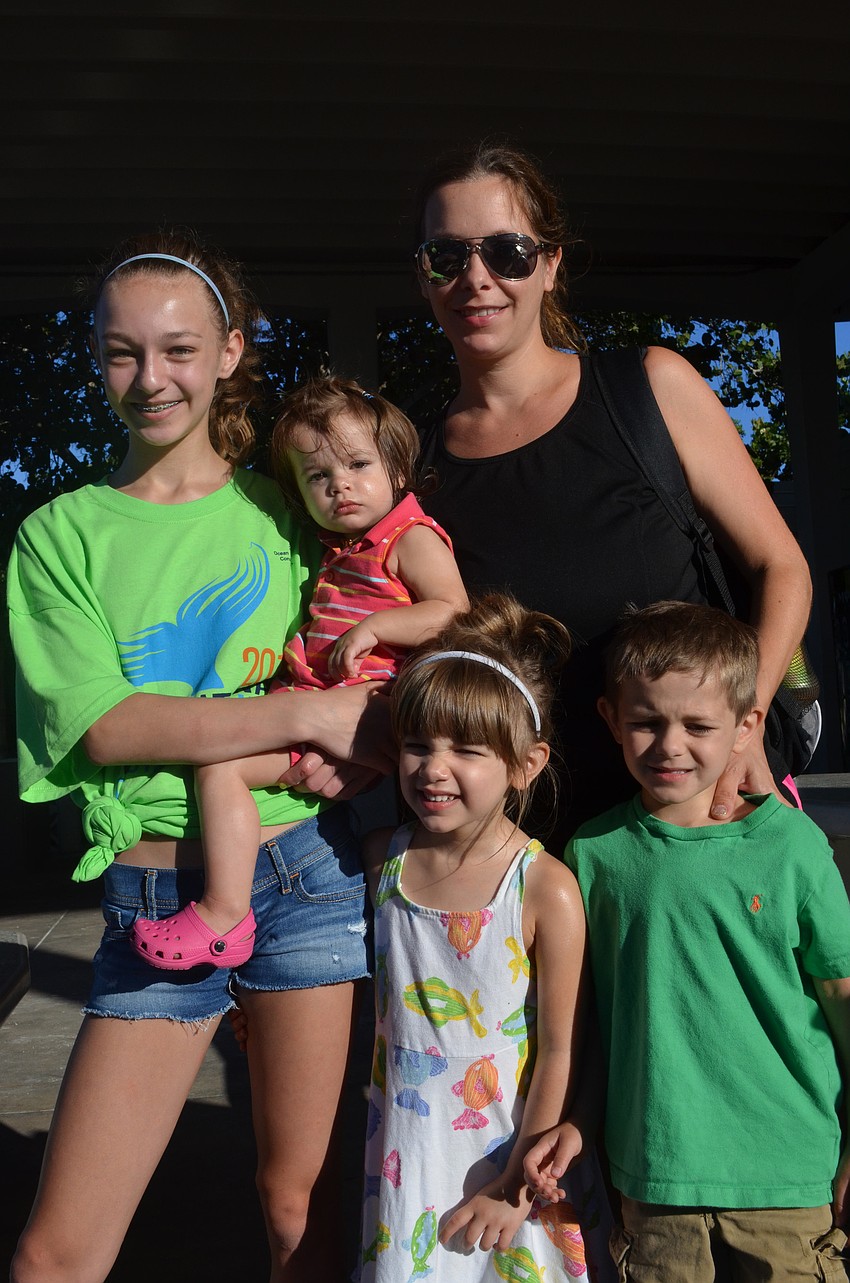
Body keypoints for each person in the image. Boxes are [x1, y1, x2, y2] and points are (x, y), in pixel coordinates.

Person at [7, 232, 392, 1283]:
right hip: (157, 894)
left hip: (309, 875)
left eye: (177, 349)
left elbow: (380, 650)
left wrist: (355, 743)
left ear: (229, 350)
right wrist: (308, 720)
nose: (150, 378)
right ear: (94, 358)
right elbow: (108, 726)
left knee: (298, 1213)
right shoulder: (59, 535)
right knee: (55, 1251)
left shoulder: (295, 505)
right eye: (121, 352)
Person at [409, 141, 813, 852]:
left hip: (699, 821)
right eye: (447, 256)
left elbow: (782, 566)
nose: (476, 278)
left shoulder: (647, 389)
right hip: (527, 856)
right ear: (425, 275)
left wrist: (743, 732)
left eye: (507, 252)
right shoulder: (414, 464)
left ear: (551, 264)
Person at [526, 601, 850, 1281]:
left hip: (787, 1175)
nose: (670, 745)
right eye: (646, 721)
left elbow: (842, 994)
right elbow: (590, 1020)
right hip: (655, 1176)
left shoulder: (794, 848)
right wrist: (581, 1120)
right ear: (611, 719)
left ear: (747, 726)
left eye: (698, 724)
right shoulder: (594, 853)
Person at [131, 376, 467, 970]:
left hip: (370, 709)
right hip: (325, 711)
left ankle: (223, 912)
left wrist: (375, 630)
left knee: (222, 762)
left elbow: (453, 612)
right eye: (318, 476)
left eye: (358, 464)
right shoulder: (345, 548)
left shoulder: (407, 537)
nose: (341, 485)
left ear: (396, 468)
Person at [357, 594, 607, 1282]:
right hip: (406, 1147)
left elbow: (562, 1047)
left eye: (467, 749)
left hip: (504, 1148)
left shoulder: (543, 886)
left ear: (526, 763)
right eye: (419, 744)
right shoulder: (382, 858)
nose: (435, 768)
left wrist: (514, 1186)